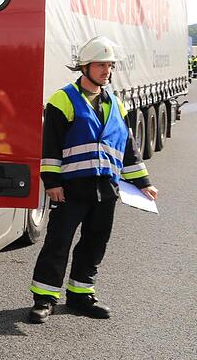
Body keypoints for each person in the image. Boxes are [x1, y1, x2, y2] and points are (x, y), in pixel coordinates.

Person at [28, 36, 158, 323]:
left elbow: (128, 147)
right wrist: (52, 183)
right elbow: (50, 147)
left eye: (109, 66)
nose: (106, 71)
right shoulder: (62, 100)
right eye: (101, 65)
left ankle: (80, 296)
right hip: (72, 188)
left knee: (95, 243)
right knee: (58, 242)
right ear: (84, 67)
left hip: (106, 189)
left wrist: (144, 182)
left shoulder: (116, 104)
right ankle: (45, 298)